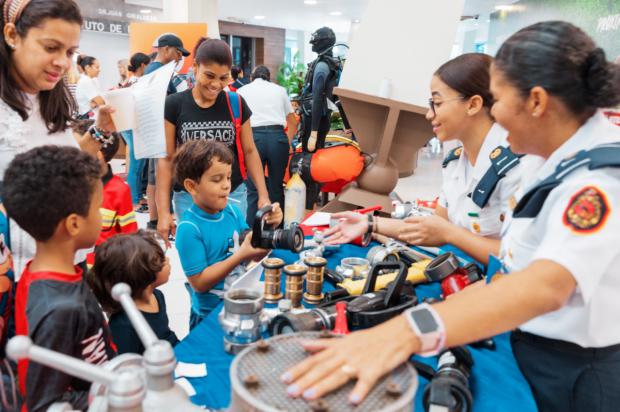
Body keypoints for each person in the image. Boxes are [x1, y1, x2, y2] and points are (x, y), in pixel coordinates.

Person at [283, 21, 620, 412]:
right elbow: (511, 264)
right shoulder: (554, 159)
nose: (495, 113)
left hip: (573, 370)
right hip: (524, 334)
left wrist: (406, 333)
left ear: (538, 102)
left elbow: (545, 286)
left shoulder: (597, 182)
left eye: (498, 98)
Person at [324, 53, 533, 265]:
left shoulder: (517, 169)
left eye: (437, 103)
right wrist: (370, 223)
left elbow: (519, 258)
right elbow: (434, 226)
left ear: (473, 105)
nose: (429, 114)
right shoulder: (455, 161)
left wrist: (451, 234)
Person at [0, 0, 116, 279]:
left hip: (58, 267)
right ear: (12, 35)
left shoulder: (50, 101)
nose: (63, 62)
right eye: (51, 48)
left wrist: (100, 131)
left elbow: (64, 170)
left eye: (70, 52)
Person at [4, 146, 116, 411]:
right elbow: (44, 403)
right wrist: (117, 396)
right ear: (74, 224)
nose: (101, 215)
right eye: (99, 208)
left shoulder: (35, 272)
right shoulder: (60, 310)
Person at [157, 38, 270, 244]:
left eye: (223, 78)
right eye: (209, 75)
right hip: (188, 197)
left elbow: (250, 151)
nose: (216, 84)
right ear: (195, 67)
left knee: (233, 253)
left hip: (232, 193)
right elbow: (166, 159)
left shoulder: (235, 102)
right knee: (198, 261)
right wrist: (164, 211)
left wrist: (263, 194)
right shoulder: (174, 104)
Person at [174, 140, 281, 328]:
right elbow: (199, 283)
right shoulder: (189, 229)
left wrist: (270, 227)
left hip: (239, 305)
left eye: (228, 177)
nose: (226, 186)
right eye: (217, 179)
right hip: (209, 318)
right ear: (191, 186)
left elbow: (254, 253)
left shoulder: (232, 211)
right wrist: (241, 255)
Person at [87, 231, 179, 354]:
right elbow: (127, 364)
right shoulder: (123, 325)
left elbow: (165, 335)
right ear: (142, 274)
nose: (167, 260)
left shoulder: (157, 295)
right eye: (160, 259)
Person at [70, 120, 138, 265]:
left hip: (103, 274)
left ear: (98, 154)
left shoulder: (119, 190)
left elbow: (129, 238)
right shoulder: (69, 186)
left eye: (76, 148)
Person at [238, 65, 298, 225]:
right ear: (269, 77)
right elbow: (292, 120)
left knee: (253, 189)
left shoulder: (242, 91)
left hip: (253, 138)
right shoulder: (279, 90)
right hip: (277, 138)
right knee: (276, 186)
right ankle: (278, 230)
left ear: (251, 77)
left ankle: (252, 231)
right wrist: (288, 141)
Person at [143, 33, 190, 231]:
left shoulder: (152, 70)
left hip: (155, 130)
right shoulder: (160, 72)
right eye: (178, 53)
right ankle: (159, 219)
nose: (180, 58)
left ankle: (154, 220)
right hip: (161, 131)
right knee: (162, 175)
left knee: (155, 176)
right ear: (166, 49)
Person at [122, 52, 151, 209]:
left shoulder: (133, 81)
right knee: (136, 163)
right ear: (142, 65)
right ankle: (133, 200)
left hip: (133, 126)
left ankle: (137, 196)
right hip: (131, 126)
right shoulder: (136, 83)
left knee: (139, 163)